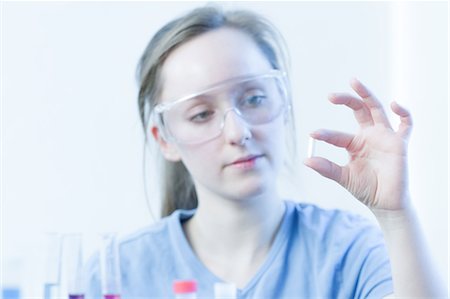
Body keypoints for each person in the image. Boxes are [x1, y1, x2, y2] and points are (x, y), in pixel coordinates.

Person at [84, 5, 446, 298]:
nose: (239, 132)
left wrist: (395, 216)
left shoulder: (349, 251)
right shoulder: (116, 274)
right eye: (201, 114)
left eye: (254, 98)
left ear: (283, 101)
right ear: (164, 139)